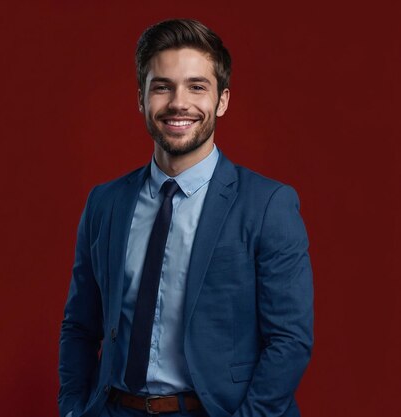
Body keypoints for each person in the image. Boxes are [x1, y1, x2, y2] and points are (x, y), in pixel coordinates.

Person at [58, 19, 313, 417]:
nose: (179, 103)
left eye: (197, 86)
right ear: (142, 100)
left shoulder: (268, 205)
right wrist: (74, 409)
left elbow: (289, 340)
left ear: (222, 100)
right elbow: (80, 325)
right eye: (162, 86)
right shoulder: (105, 203)